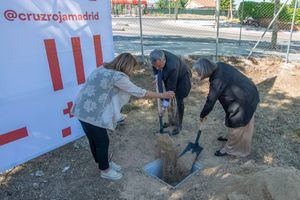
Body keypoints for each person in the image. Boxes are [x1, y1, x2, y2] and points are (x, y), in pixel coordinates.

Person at [71, 53, 174, 180]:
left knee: (94, 140)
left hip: (81, 109)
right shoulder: (117, 77)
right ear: (127, 66)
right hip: (92, 114)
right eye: (132, 68)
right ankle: (105, 170)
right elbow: (139, 92)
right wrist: (163, 95)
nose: (132, 72)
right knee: (102, 142)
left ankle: (103, 162)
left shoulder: (102, 68)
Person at [193, 58, 260, 157]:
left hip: (244, 100)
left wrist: (203, 115)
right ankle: (231, 139)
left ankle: (230, 149)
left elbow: (210, 101)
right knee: (233, 118)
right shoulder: (220, 65)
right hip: (248, 91)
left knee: (237, 123)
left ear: (205, 71)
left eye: (199, 73)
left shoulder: (216, 81)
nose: (199, 76)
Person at [150, 49, 192, 135]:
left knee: (178, 99)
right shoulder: (156, 56)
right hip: (171, 75)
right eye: (155, 66)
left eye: (159, 66)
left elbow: (170, 90)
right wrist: (157, 78)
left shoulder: (172, 66)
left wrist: (163, 107)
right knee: (167, 98)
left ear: (164, 60)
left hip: (182, 78)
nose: (157, 68)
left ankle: (178, 125)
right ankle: (171, 121)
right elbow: (157, 72)